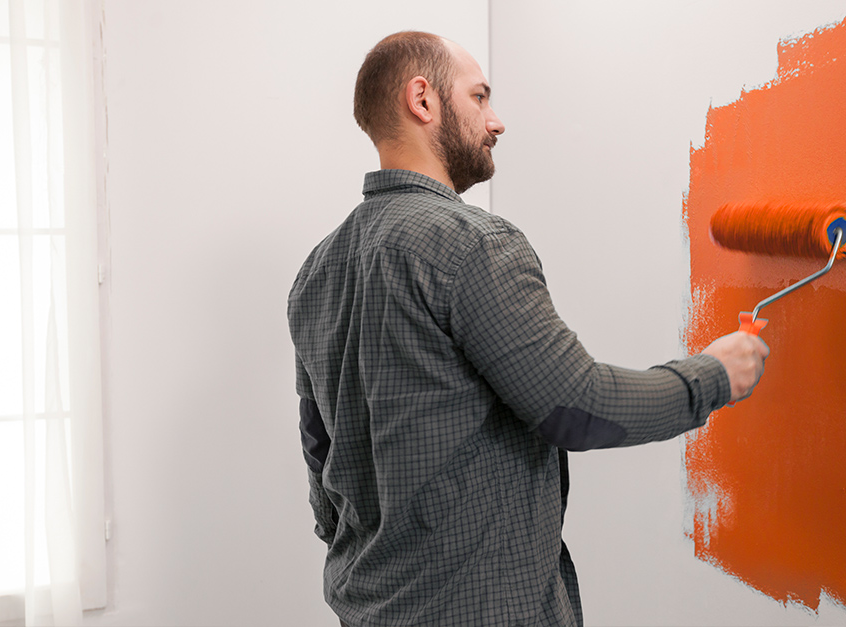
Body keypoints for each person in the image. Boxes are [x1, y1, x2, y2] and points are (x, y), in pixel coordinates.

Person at [287, 31, 769, 627]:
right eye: (480, 97)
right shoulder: (474, 244)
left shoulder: (317, 268)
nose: (496, 121)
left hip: (367, 609)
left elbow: (320, 453)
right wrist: (717, 375)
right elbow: (578, 406)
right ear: (423, 100)